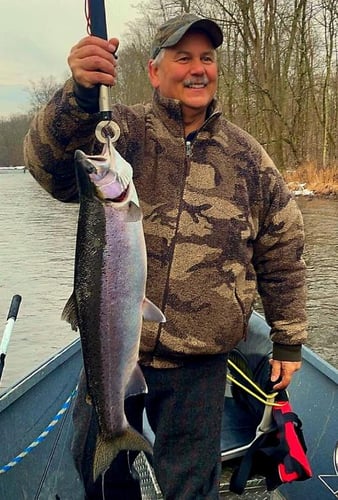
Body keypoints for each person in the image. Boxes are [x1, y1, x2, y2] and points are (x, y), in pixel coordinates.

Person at [24, 13, 307, 500]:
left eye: (207, 58)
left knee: (191, 487)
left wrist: (289, 340)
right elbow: (49, 166)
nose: (198, 69)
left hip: (199, 363)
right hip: (108, 347)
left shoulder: (247, 157)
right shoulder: (118, 132)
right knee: (98, 476)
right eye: (183, 58)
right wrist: (79, 96)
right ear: (155, 71)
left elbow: (282, 251)